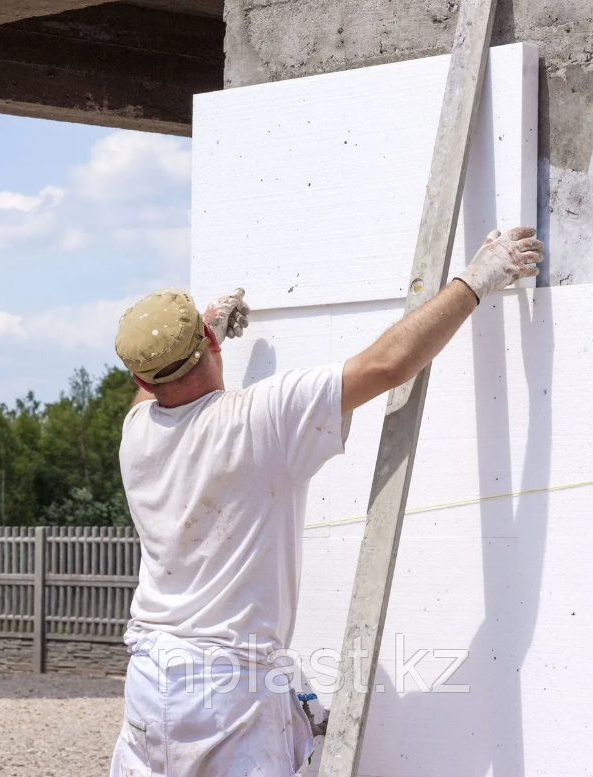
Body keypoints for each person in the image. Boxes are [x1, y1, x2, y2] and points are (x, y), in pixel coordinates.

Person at [109, 227, 543, 776]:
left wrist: (204, 331)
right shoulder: (259, 419)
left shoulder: (135, 433)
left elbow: (151, 386)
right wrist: (478, 278)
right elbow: (387, 365)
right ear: (210, 346)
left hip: (150, 679)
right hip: (227, 689)